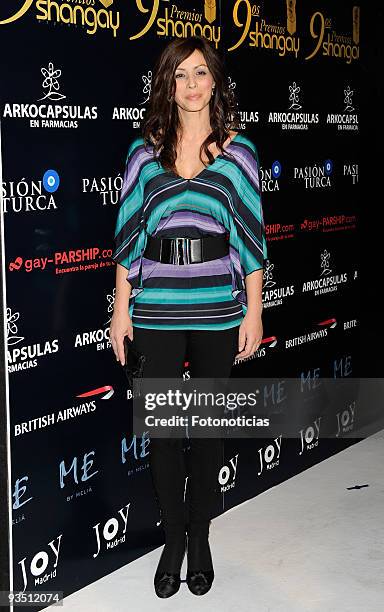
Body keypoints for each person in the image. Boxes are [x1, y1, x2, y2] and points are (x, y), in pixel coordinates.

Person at [110, 35, 267, 598]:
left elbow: (251, 241)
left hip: (218, 311)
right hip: (155, 307)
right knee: (164, 435)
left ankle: (199, 538)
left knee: (203, 433)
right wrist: (120, 311)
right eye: (181, 76)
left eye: (201, 73)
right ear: (168, 86)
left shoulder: (239, 152)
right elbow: (129, 239)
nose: (193, 85)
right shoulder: (142, 155)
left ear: (214, 81)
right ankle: (172, 540)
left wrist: (254, 311)